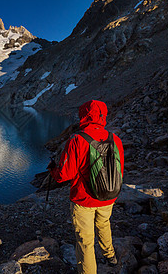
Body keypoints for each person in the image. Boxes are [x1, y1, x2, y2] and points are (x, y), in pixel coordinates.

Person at [48, 100, 124, 274]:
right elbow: (119, 171)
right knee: (104, 224)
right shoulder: (116, 139)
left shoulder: (77, 140)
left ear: (84, 116)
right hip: (109, 195)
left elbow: (64, 175)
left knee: (86, 241)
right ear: (103, 116)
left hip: (84, 200)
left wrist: (53, 169)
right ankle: (110, 255)